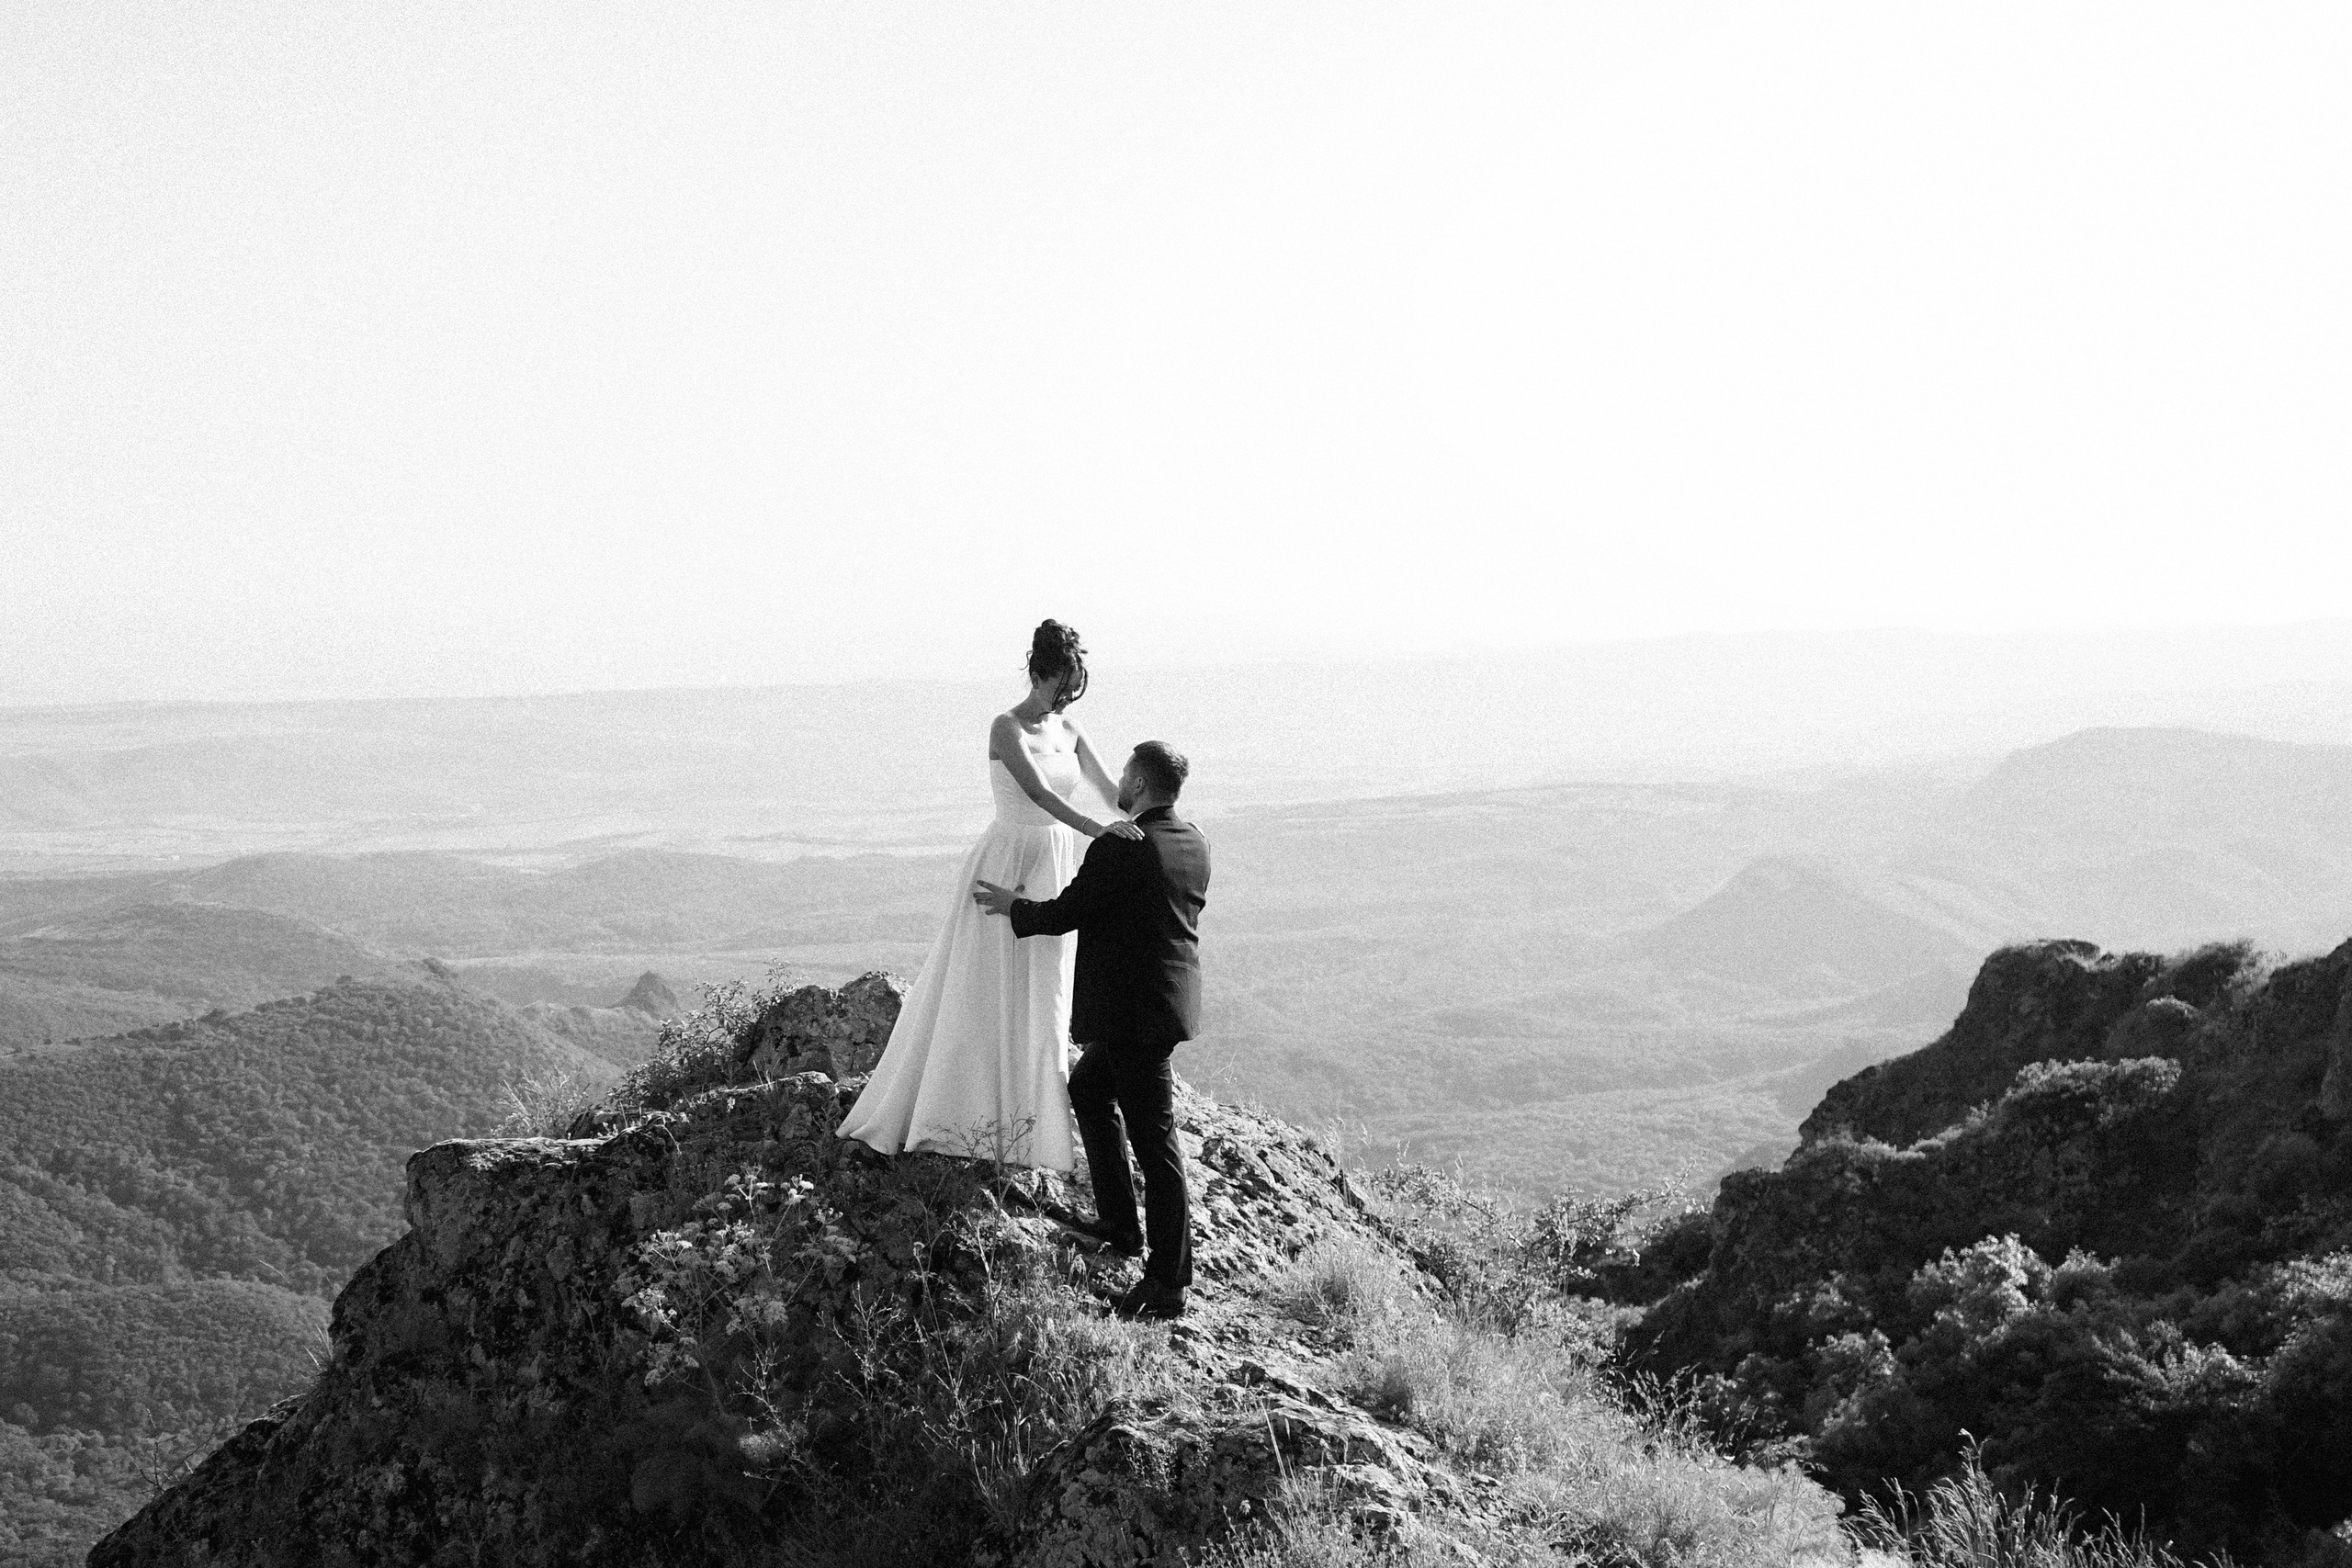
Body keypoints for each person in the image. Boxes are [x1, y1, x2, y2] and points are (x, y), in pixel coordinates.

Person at [836, 621, 1143, 1168]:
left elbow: (1111, 793)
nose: (1068, 692)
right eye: (1064, 680)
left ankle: (1035, 1125)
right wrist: (1098, 834)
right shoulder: (1006, 727)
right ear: (1043, 672)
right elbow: (1039, 793)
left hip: (1055, 859)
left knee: (1045, 983)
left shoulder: (1071, 730)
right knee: (982, 980)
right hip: (1007, 858)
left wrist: (1151, 817)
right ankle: (959, 1108)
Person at [973, 739, 1209, 1320]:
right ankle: (1119, 1224)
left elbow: (1067, 912)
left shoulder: (1122, 848)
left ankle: (1168, 1281)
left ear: (1140, 785)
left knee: (1156, 1142)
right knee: (1088, 1090)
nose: (1119, 783)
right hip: (1164, 1005)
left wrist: (1013, 905)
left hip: (1133, 1015)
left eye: (1126, 775)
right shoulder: (1194, 842)